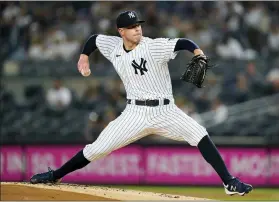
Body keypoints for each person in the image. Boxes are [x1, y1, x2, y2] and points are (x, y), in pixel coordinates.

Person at [30, 11, 253, 196]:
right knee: (95, 149)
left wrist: (197, 51)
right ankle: (55, 175)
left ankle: (229, 182)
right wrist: (84, 56)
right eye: (131, 26)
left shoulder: (153, 46)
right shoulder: (114, 46)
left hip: (165, 110)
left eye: (138, 25)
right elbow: (94, 40)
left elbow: (183, 42)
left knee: (200, 133)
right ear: (121, 31)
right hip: (134, 113)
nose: (137, 29)